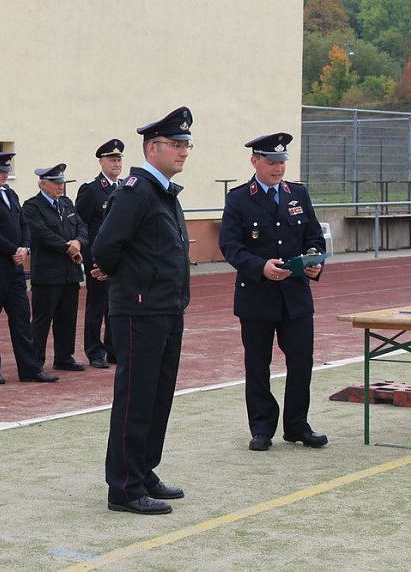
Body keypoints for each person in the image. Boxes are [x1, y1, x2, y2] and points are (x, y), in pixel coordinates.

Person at [93, 107, 193, 515]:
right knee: (135, 399)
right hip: (140, 310)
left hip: (166, 309)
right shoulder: (136, 190)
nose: (184, 151)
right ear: (153, 148)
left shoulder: (162, 191)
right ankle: (125, 487)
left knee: (157, 397)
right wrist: (127, 281)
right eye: (176, 144)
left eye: (187, 144)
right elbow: (105, 248)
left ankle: (144, 469)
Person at [218, 132, 328, 452]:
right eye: (271, 161)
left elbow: (314, 237)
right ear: (255, 161)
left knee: (301, 362)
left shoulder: (298, 193)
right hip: (257, 295)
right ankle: (262, 428)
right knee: (257, 365)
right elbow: (231, 246)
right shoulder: (239, 198)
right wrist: (260, 267)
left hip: (295, 296)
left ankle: (297, 425)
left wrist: (313, 260)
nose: (278, 168)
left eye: (282, 162)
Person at [0, 150, 59, 384]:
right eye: (1, 171)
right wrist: (12, 249)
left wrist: (25, 247)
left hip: (14, 267)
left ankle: (29, 369)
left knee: (21, 318)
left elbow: (23, 223)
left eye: (7, 170)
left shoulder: (10, 193)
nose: (5, 175)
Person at [22, 163, 88, 372]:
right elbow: (41, 234)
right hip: (48, 273)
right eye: (56, 183)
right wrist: (67, 248)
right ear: (43, 184)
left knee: (67, 318)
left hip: (70, 272)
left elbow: (81, 226)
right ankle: (35, 362)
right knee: (43, 319)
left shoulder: (67, 203)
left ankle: (64, 357)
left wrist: (78, 243)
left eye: (62, 182)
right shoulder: (32, 206)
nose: (61, 186)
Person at [76, 139, 124, 368]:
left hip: (120, 258)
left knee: (116, 304)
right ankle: (95, 351)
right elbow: (81, 224)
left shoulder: (125, 187)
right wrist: (88, 256)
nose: (117, 164)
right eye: (112, 160)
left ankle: (114, 349)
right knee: (97, 305)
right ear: (101, 161)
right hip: (97, 257)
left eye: (119, 159)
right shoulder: (92, 189)